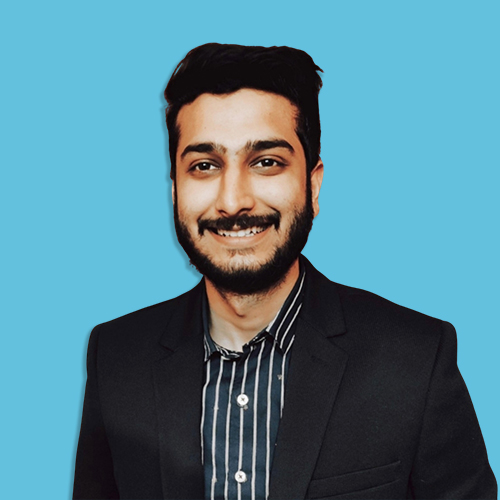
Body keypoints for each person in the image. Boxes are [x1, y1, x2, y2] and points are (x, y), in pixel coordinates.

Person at [73, 43, 496, 500]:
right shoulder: (116, 358)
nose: (233, 201)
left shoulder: (415, 360)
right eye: (204, 166)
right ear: (175, 190)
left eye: (266, 162)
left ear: (312, 184)